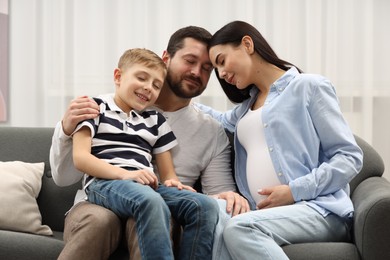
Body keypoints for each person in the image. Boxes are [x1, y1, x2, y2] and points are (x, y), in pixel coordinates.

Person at [50, 26, 250, 260]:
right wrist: (65, 129)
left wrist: (229, 196)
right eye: (190, 60)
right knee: (100, 220)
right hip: (98, 203)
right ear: (166, 59)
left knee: (163, 212)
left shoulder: (209, 130)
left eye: (207, 68)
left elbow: (213, 194)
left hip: (161, 205)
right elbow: (64, 176)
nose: (197, 72)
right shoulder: (100, 107)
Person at [195, 20, 364, 260]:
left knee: (241, 227)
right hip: (264, 215)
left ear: (247, 44)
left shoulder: (308, 87)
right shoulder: (245, 110)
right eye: (216, 69)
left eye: (221, 61)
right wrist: (170, 97)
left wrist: (294, 191)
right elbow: (215, 119)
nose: (221, 74)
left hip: (317, 210)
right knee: (218, 231)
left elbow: (350, 157)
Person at [71, 47, 219, 260]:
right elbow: (81, 158)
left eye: (156, 85)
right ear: (118, 76)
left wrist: (175, 184)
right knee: (149, 200)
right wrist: (124, 174)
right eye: (141, 78)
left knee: (204, 206)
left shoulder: (156, 120)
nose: (148, 87)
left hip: (147, 187)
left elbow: (168, 174)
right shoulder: (95, 108)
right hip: (104, 183)